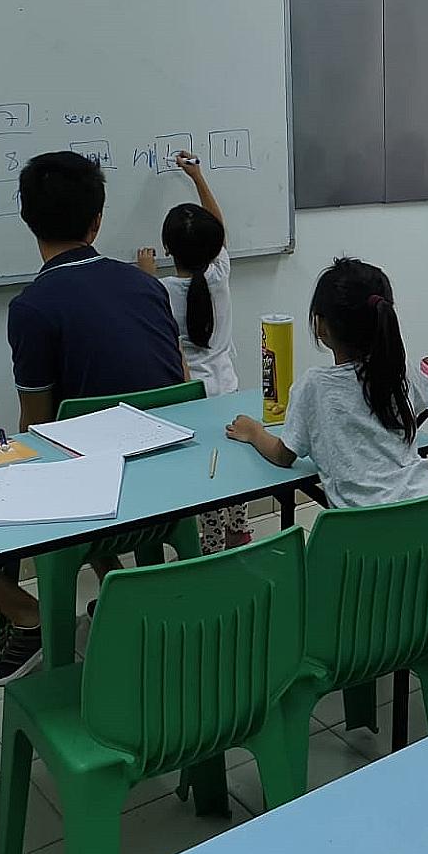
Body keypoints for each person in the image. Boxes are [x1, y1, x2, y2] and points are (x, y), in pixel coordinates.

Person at [225, 258, 428, 709]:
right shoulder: (399, 371)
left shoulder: (313, 387)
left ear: (320, 327)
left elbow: (283, 455)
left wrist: (254, 431)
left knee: (383, 605)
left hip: (368, 546)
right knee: (418, 593)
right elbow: (417, 412)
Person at [0, 151, 186, 687]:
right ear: (97, 219)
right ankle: (117, 592)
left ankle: (32, 617)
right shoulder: (147, 286)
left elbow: (36, 428)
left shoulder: (33, 307)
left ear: (26, 219)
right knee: (93, 443)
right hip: (172, 483)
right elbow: (175, 382)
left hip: (96, 497)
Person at [139, 151, 247, 553]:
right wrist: (199, 178)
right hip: (228, 389)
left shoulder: (160, 291)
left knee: (206, 474)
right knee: (232, 466)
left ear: (167, 248)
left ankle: (211, 547)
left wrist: (145, 276)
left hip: (193, 399)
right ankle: (240, 531)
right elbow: (217, 226)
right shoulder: (219, 276)